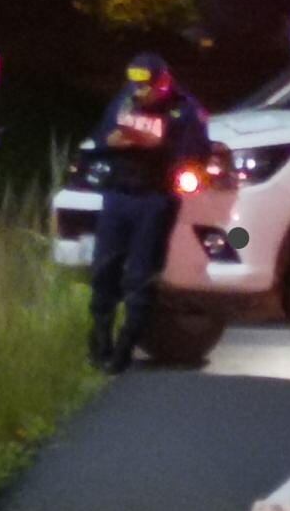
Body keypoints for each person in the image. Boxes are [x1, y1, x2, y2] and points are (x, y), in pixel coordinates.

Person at [87, 52, 210, 373]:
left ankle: (126, 347)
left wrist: (159, 146)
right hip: (118, 194)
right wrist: (110, 141)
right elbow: (99, 138)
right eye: (135, 84)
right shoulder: (124, 100)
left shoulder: (184, 109)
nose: (139, 91)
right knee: (104, 269)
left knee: (140, 275)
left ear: (164, 81)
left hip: (154, 198)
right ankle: (100, 339)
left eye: (146, 86)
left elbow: (197, 153)